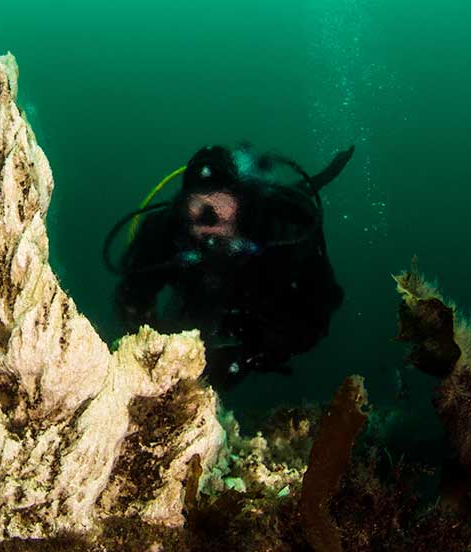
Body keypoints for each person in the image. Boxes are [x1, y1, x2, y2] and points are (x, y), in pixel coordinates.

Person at [104, 142, 355, 389]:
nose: (208, 217)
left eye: (220, 202)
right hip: (198, 300)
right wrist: (151, 350)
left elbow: (317, 314)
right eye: (197, 203)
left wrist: (246, 358)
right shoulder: (164, 231)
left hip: (261, 310)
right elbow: (132, 296)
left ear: (241, 203)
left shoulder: (284, 230)